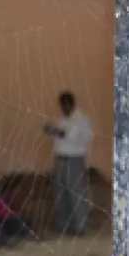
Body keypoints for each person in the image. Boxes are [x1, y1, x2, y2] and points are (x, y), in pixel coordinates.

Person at [43, 91, 93, 235]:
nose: (63, 109)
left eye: (65, 106)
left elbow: (68, 135)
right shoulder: (62, 120)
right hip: (60, 159)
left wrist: (54, 130)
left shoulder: (82, 120)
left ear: (71, 104)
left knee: (76, 193)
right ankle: (64, 225)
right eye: (61, 106)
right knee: (61, 193)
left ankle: (80, 226)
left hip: (74, 160)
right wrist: (52, 130)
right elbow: (57, 137)